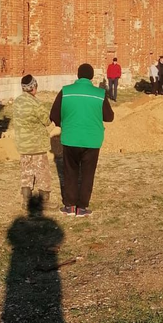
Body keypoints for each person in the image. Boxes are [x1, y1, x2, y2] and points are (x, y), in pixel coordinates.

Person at [49, 63, 114, 217]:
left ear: (78, 76)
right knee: (87, 174)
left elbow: (53, 115)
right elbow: (109, 117)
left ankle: (70, 206)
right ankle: (82, 208)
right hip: (92, 140)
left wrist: (63, 124)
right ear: (91, 77)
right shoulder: (100, 94)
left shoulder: (66, 92)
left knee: (70, 172)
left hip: (70, 138)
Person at [12, 74, 52, 210]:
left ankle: (26, 200)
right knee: (42, 173)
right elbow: (47, 121)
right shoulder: (36, 104)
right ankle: (44, 201)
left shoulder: (17, 102)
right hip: (37, 145)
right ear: (34, 87)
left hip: (23, 145)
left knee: (26, 172)